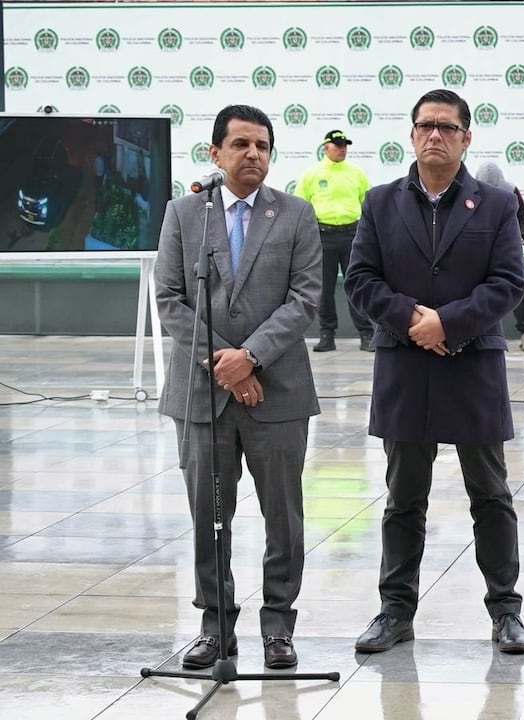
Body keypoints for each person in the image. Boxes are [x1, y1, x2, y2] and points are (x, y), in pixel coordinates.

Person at [344, 89, 524, 656]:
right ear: (411, 134)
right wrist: (411, 321)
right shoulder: (379, 203)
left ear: (466, 138)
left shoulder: (497, 205)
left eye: (447, 127)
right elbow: (360, 280)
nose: (435, 135)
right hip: (405, 367)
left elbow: (507, 283)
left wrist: (448, 324)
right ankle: (395, 611)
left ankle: (506, 611)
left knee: (491, 495)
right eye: (426, 125)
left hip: (472, 366)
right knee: (404, 498)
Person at [153, 104, 322, 671]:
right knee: (209, 515)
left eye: (264, 146)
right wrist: (221, 364)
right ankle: (215, 624)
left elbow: (304, 299)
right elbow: (171, 300)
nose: (254, 155)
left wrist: (249, 359)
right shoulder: (184, 213)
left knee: (284, 514)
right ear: (215, 153)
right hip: (201, 394)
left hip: (278, 392)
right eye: (242, 144)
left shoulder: (296, 215)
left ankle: (279, 626)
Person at [295, 129, 374, 352]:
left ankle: (366, 334)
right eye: (338, 145)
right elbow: (301, 206)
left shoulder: (356, 173)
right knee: (325, 288)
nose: (342, 149)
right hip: (323, 236)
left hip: (352, 235)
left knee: (357, 284)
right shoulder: (312, 174)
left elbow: (367, 204)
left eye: (345, 145)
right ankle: (327, 334)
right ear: (325, 147)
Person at [474, 161, 524, 351]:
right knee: (475, 289)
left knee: (519, 289)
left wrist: (519, 236)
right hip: (480, 249)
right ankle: (476, 331)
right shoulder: (469, 191)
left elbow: (523, 216)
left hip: (508, 249)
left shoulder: (511, 190)